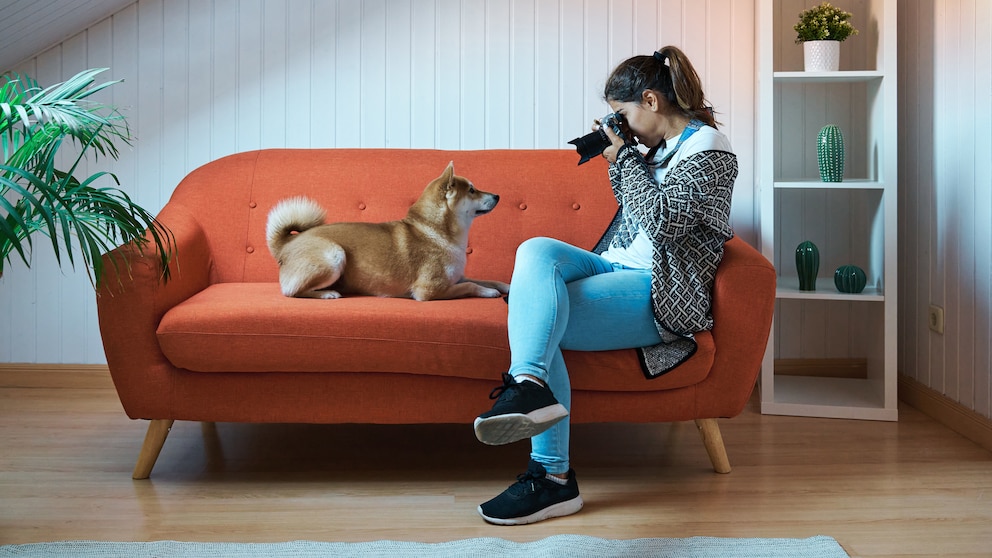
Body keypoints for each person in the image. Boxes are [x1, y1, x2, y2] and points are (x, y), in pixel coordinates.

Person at [471, 45, 738, 525]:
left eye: (623, 113)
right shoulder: (659, 149)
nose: (621, 124)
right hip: (614, 267)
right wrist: (627, 154)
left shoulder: (710, 151)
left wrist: (622, 160)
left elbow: (661, 222)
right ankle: (529, 384)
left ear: (652, 102)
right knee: (536, 251)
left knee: (539, 313)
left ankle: (551, 478)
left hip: (661, 291)